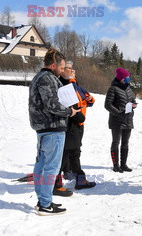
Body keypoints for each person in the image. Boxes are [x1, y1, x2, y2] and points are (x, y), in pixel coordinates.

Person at [29, 49, 80, 215]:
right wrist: (69, 112)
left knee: (42, 165)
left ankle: (43, 200)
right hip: (52, 128)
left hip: (44, 128)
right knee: (51, 167)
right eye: (62, 67)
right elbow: (52, 105)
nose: (63, 70)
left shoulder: (40, 77)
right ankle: (45, 204)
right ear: (53, 65)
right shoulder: (48, 79)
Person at [54, 61, 96, 192]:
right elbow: (69, 105)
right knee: (69, 154)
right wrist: (79, 117)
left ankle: (62, 181)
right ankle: (60, 183)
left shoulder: (73, 84)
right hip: (70, 124)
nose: (73, 71)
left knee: (70, 153)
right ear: (62, 70)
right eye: (69, 69)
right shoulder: (62, 85)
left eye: (73, 69)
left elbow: (84, 99)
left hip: (76, 125)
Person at [104, 68, 137, 173]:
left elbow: (132, 100)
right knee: (116, 142)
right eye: (126, 77)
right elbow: (107, 105)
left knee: (125, 143)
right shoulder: (113, 89)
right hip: (116, 120)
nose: (128, 78)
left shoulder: (129, 88)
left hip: (128, 119)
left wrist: (134, 104)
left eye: (128, 77)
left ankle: (124, 164)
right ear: (121, 78)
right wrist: (118, 113)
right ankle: (115, 165)